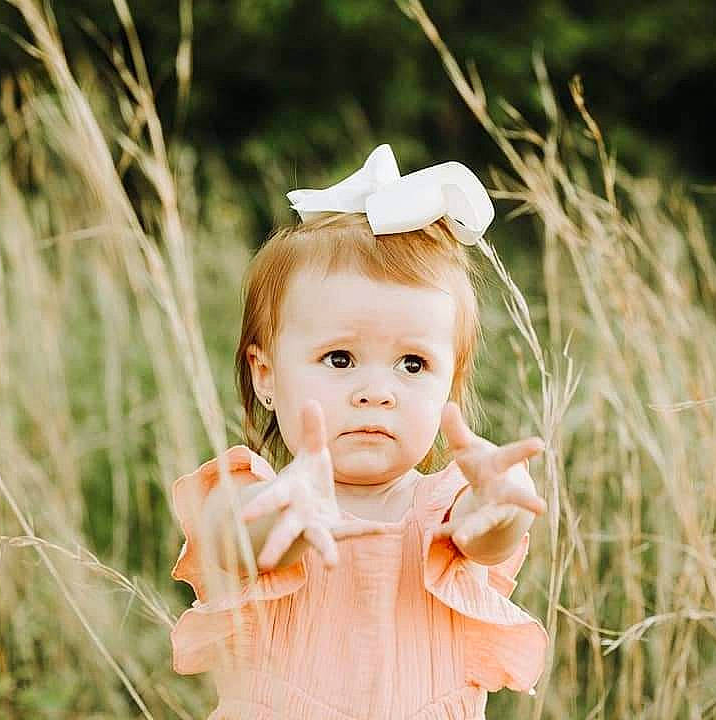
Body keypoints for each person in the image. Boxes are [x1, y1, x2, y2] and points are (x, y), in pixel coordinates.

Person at [169, 144, 550, 719]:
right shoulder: (252, 491)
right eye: (340, 358)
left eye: (412, 364)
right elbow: (230, 533)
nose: (377, 391)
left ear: (450, 386)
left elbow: (483, 538)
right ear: (265, 374)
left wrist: (500, 506)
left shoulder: (446, 509)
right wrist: (287, 510)